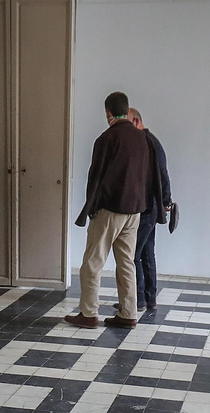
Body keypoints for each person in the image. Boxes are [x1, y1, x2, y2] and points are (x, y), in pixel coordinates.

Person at [70, 91, 156, 329]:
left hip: (110, 210)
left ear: (107, 112)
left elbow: (95, 177)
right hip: (135, 211)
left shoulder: (106, 139)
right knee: (127, 262)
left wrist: (92, 208)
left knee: (92, 262)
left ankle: (88, 313)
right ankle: (128, 314)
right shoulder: (143, 139)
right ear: (126, 110)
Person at [125, 107, 171, 315]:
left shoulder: (147, 143)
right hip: (151, 207)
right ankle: (149, 298)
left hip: (147, 208)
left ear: (135, 122)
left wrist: (166, 199)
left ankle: (138, 299)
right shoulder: (151, 141)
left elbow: (162, 173)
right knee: (146, 253)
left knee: (133, 254)